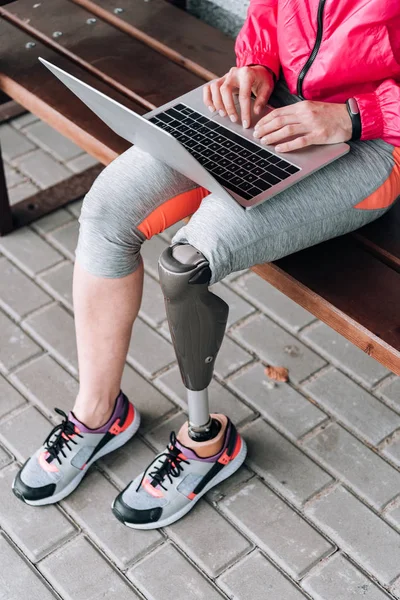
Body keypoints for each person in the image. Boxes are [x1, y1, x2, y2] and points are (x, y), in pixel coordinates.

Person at [13, 0, 400, 529]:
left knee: (188, 262)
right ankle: (98, 414)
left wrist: (354, 115)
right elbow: (274, 12)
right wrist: (257, 65)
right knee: (107, 210)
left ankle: (205, 445)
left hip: (374, 143)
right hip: (271, 107)